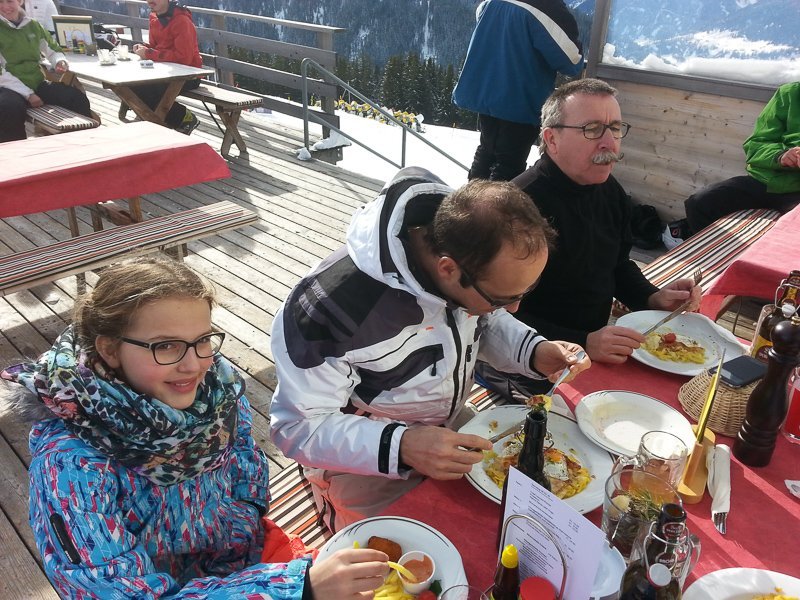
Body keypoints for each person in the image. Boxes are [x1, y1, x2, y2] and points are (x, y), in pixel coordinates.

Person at [0, 257, 389, 599]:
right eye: (166, 346)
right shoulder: (72, 466)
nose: (194, 364)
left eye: (202, 340)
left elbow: (243, 456)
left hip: (246, 560)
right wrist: (296, 589)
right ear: (109, 350)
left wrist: (246, 515)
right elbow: (115, 590)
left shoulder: (217, 390)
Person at [269, 168, 591, 533]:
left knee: (523, 512)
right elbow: (297, 427)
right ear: (448, 269)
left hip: (446, 425)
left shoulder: (464, 248)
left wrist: (532, 350)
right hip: (359, 460)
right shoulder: (330, 309)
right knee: (404, 551)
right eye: (503, 298)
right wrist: (402, 445)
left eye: (524, 293)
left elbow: (483, 319)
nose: (515, 308)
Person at [476, 79, 702, 399]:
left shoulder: (610, 191)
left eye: (615, 128)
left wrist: (652, 298)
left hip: (595, 349)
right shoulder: (515, 207)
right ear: (551, 139)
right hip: (525, 368)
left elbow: (616, 264)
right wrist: (582, 341)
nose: (609, 143)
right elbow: (489, 315)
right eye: (592, 129)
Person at [452, 0, 583, 181]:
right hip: (519, 99)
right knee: (508, 165)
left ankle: (470, 197)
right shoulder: (547, 7)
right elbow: (571, 60)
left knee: (487, 151)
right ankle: (497, 200)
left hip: (489, 90)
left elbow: (481, 15)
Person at [683, 81, 800, 236]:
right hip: (765, 181)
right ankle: (717, 250)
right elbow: (755, 145)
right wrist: (780, 155)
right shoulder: (789, 93)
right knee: (699, 203)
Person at [0, 0, 91, 142]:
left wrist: (59, 61)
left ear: (20, 2)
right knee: (8, 108)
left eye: (10, 1)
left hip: (36, 83)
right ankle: (16, 152)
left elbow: (53, 49)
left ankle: (85, 142)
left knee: (76, 97)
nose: (5, 6)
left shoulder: (33, 25)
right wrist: (28, 94)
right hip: (9, 87)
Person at [129, 0, 201, 134]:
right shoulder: (154, 17)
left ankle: (184, 118)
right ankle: (153, 118)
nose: (150, 1)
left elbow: (184, 58)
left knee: (146, 89)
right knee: (131, 84)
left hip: (189, 75)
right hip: (163, 72)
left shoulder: (181, 21)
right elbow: (157, 46)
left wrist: (149, 53)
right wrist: (144, 48)